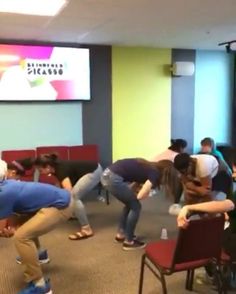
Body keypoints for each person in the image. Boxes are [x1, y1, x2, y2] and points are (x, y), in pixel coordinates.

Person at [0, 160, 73, 294]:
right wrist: (12, 226)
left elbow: (2, 225)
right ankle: (39, 254)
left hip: (61, 205)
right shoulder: (5, 185)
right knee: (24, 229)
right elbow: (13, 210)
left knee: (21, 237)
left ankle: (40, 286)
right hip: (51, 201)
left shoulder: (3, 192)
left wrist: (7, 230)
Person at [34, 153, 103, 240]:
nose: (40, 173)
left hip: (94, 171)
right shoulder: (54, 168)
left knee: (74, 196)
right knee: (71, 195)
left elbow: (68, 192)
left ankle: (86, 229)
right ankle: (75, 214)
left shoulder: (61, 170)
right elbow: (61, 185)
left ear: (47, 167)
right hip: (83, 171)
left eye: (40, 170)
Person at [101, 158, 162, 251]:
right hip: (113, 178)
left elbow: (134, 186)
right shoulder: (155, 173)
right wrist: (143, 194)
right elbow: (140, 195)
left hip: (107, 175)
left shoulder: (147, 167)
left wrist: (134, 196)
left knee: (130, 204)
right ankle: (129, 242)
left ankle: (121, 234)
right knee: (136, 206)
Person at [152, 139, 187, 216]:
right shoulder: (176, 156)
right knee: (181, 177)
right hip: (161, 174)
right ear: (181, 148)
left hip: (154, 171)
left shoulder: (166, 152)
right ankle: (176, 202)